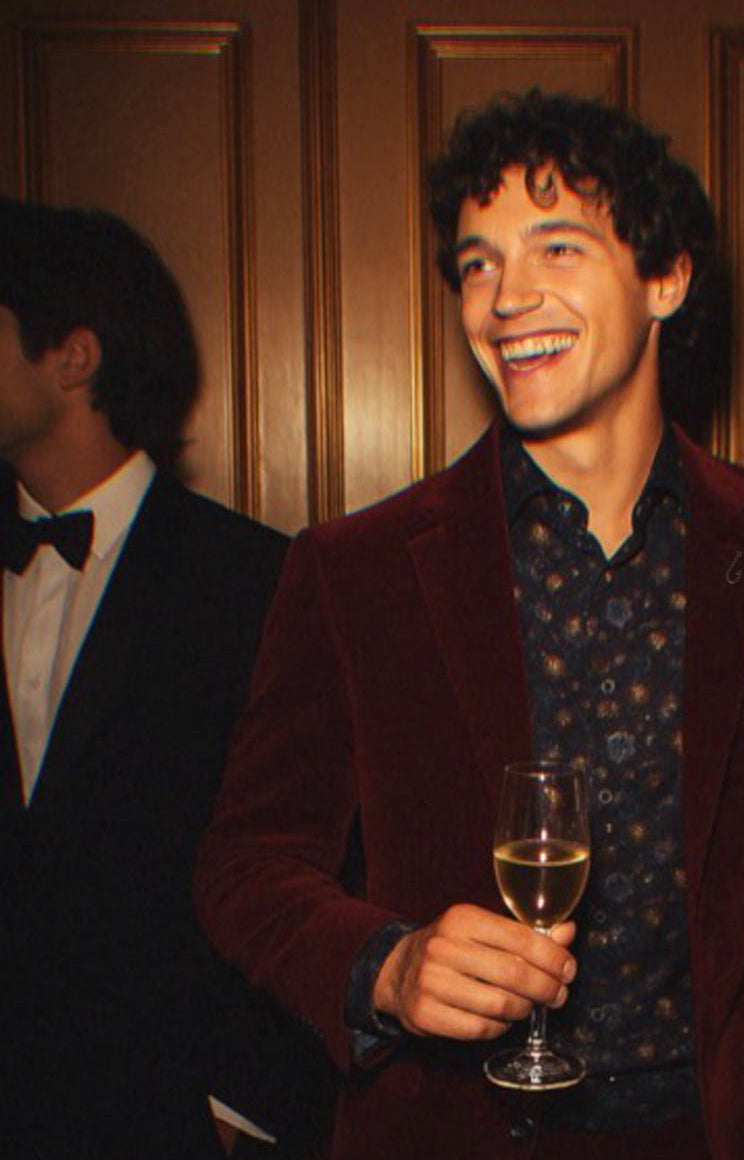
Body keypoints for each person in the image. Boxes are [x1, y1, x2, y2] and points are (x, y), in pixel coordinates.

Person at [195, 89, 744, 1160]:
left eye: (557, 248)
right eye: (477, 263)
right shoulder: (353, 569)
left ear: (666, 278)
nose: (505, 298)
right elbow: (246, 863)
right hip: (450, 1133)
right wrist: (385, 967)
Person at [0, 199, 322, 1159]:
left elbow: (304, 858)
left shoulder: (257, 580)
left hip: (166, 1114)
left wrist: (244, 1101)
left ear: (73, 357)